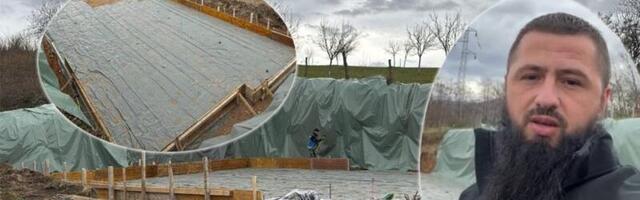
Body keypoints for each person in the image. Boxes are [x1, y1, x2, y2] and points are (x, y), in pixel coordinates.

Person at [459, 12, 640, 200]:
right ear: (506, 87)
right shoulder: (472, 196)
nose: (546, 99)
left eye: (571, 82)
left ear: (603, 100)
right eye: (530, 77)